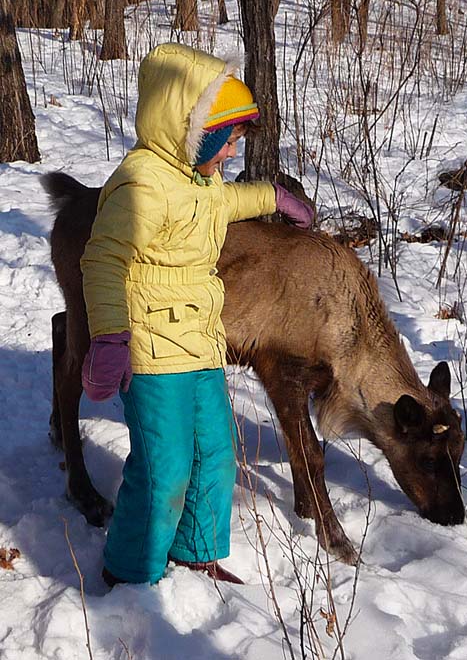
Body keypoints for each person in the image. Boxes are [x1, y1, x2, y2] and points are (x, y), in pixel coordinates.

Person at [80, 42, 313, 586]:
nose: (231, 154)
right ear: (193, 129)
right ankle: (131, 573)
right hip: (153, 350)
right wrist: (110, 338)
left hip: (202, 341)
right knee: (164, 470)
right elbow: (103, 259)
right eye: (227, 141)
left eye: (235, 143)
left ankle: (195, 551)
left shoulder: (199, 179)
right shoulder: (141, 184)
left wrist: (272, 197)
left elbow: (224, 204)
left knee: (215, 455)